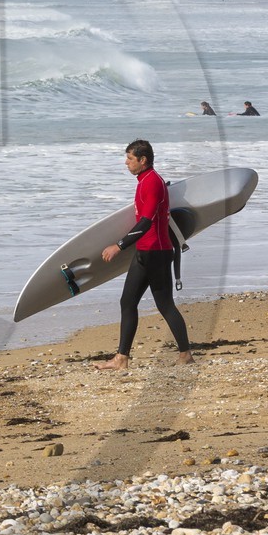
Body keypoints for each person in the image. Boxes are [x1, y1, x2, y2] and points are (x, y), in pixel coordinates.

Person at [94, 140, 192, 370]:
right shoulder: (147, 181)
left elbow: (146, 223)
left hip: (154, 253)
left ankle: (184, 354)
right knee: (130, 302)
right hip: (148, 251)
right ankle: (122, 358)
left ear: (143, 160)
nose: (126, 163)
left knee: (163, 304)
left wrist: (119, 245)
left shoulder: (152, 183)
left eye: (130, 159)